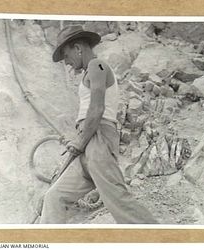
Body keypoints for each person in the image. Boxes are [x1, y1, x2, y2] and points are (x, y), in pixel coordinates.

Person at [39, 25, 158, 224]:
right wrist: (79, 139)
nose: (67, 63)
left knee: (120, 203)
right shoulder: (90, 71)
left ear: (78, 48)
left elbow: (96, 109)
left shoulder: (98, 65)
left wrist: (81, 140)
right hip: (88, 143)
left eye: (67, 56)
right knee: (54, 197)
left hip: (98, 141)